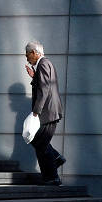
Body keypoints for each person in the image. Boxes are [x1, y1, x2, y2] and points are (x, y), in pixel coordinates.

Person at [24, 40, 65, 185]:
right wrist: (34, 76)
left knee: (39, 143)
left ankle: (52, 177)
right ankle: (56, 159)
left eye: (27, 54)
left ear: (34, 53)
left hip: (47, 112)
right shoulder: (44, 65)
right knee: (39, 142)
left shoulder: (43, 64)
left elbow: (45, 89)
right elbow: (43, 84)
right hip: (49, 111)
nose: (26, 57)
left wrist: (36, 111)